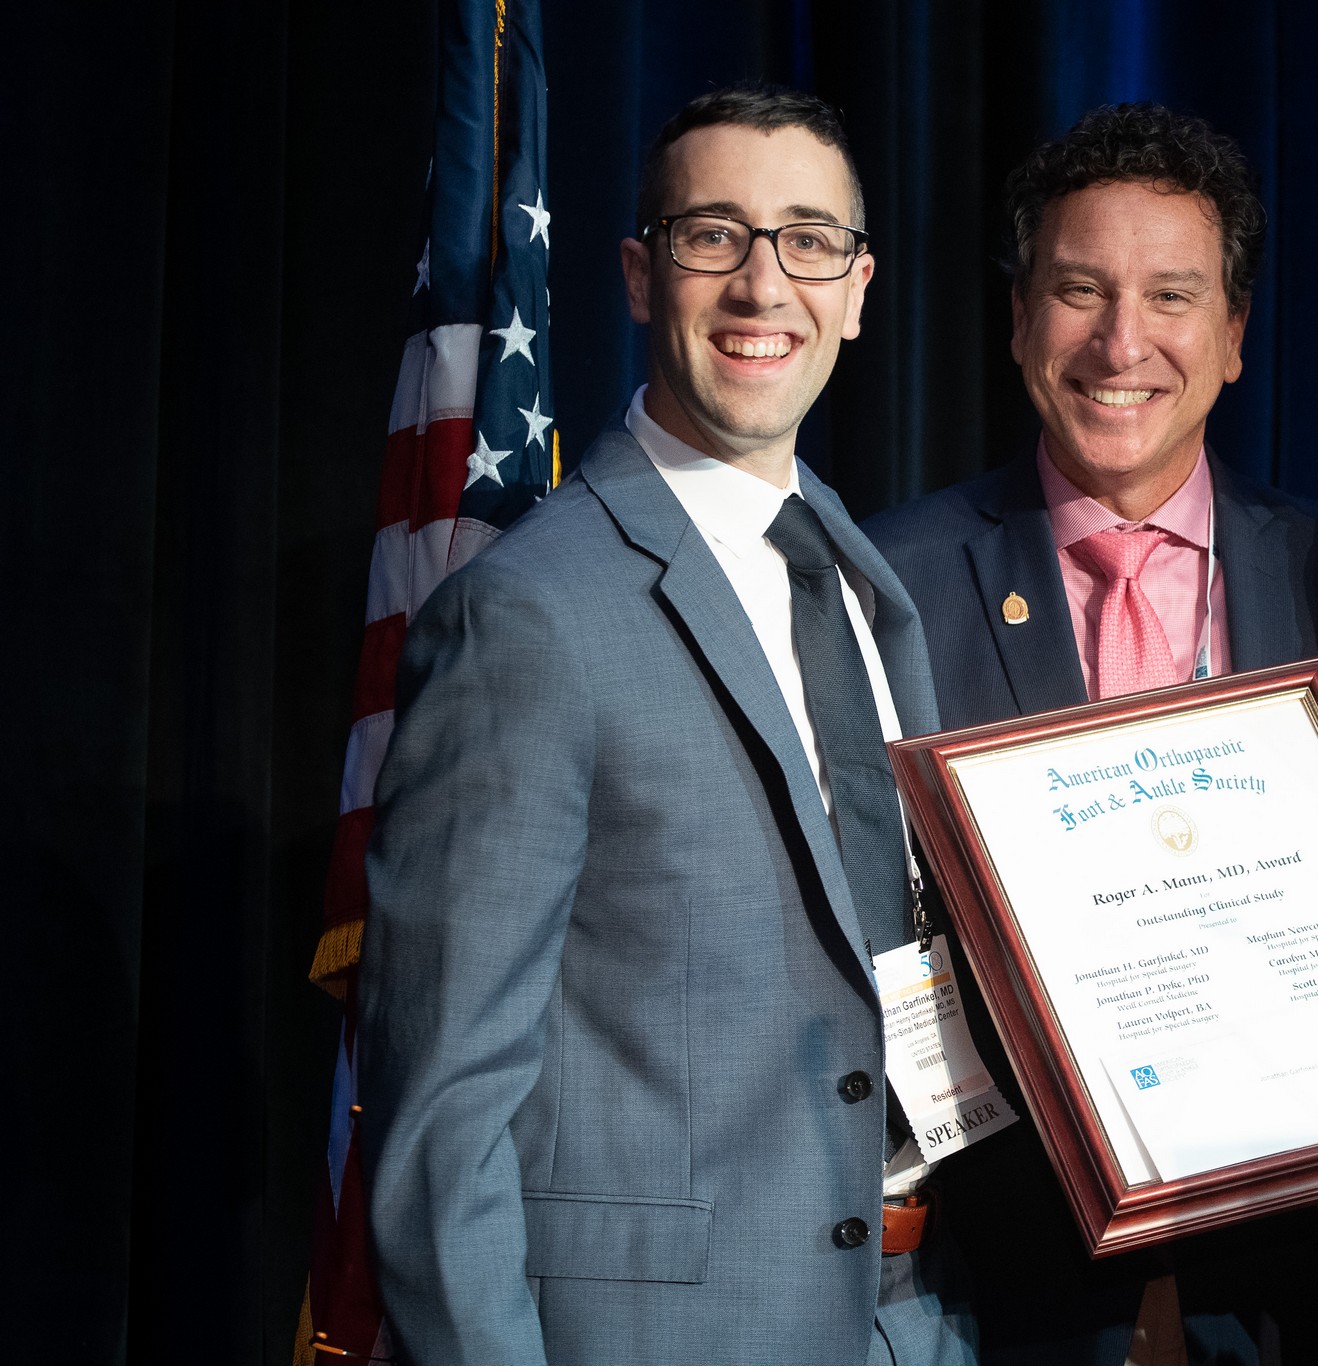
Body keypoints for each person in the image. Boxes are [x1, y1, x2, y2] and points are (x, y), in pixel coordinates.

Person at [356, 85, 977, 1365]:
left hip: (912, 1323)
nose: (763, 285)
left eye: (808, 240)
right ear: (642, 277)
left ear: (857, 291)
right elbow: (443, 1116)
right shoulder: (528, 617)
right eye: (714, 236)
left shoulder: (866, 582)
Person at [865, 103, 1318, 1366]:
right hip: (997, 1292)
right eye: (1077, 290)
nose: (1120, 342)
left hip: (1309, 1284)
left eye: (1169, 296)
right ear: (1016, 321)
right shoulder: (886, 585)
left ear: (1233, 336)